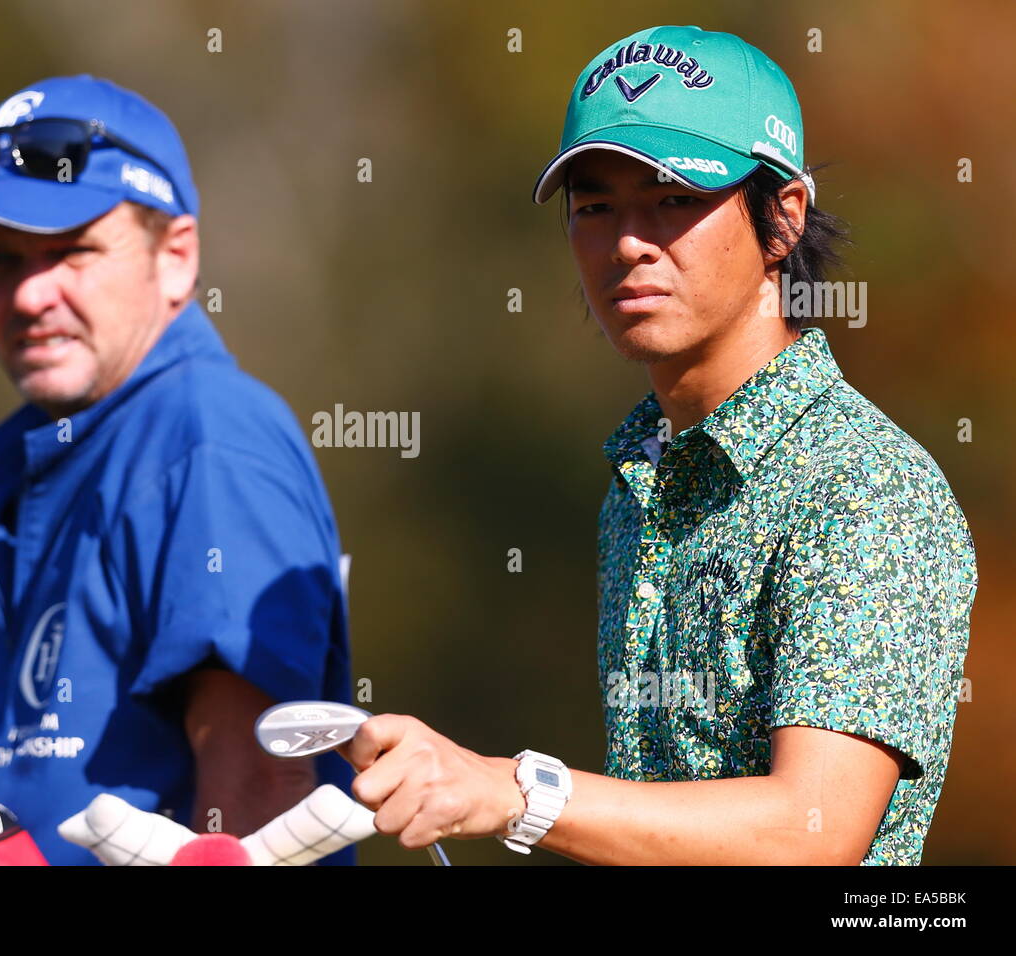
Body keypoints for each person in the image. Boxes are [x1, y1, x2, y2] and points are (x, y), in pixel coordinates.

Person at [340, 25, 977, 865]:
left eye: (675, 196)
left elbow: (810, 832)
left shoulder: (863, 488)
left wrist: (513, 791)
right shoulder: (641, 479)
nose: (627, 241)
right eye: (595, 205)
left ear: (783, 217)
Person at [0, 75, 355, 865]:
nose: (30, 294)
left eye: (71, 251)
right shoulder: (81, 447)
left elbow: (256, 791)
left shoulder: (204, 438)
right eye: (0, 261)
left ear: (176, 257)